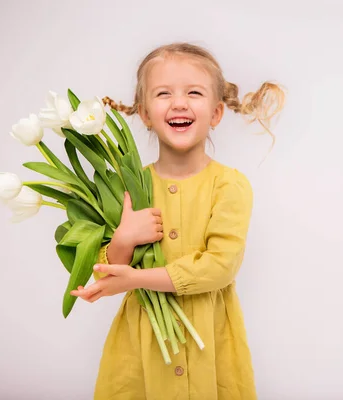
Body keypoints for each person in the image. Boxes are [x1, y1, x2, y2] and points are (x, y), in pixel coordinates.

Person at [71, 42, 285, 400]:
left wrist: (137, 278)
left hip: (210, 342)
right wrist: (124, 239)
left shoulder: (229, 185)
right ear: (144, 113)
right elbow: (108, 270)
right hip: (142, 345)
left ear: (216, 113)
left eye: (194, 92)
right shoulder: (128, 185)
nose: (179, 103)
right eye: (163, 93)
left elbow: (220, 266)